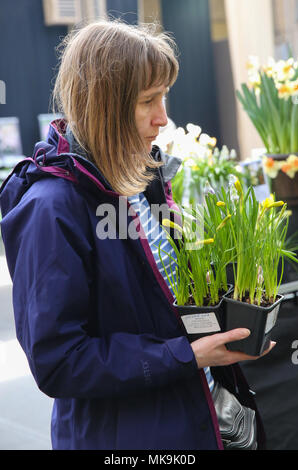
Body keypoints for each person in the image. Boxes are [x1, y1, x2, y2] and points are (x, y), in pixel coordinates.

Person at [0, 19, 274, 450]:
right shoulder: (51, 210)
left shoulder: (141, 185)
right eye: (149, 100)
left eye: (164, 97)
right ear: (104, 106)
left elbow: (158, 302)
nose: (164, 118)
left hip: (192, 416)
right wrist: (186, 356)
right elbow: (59, 362)